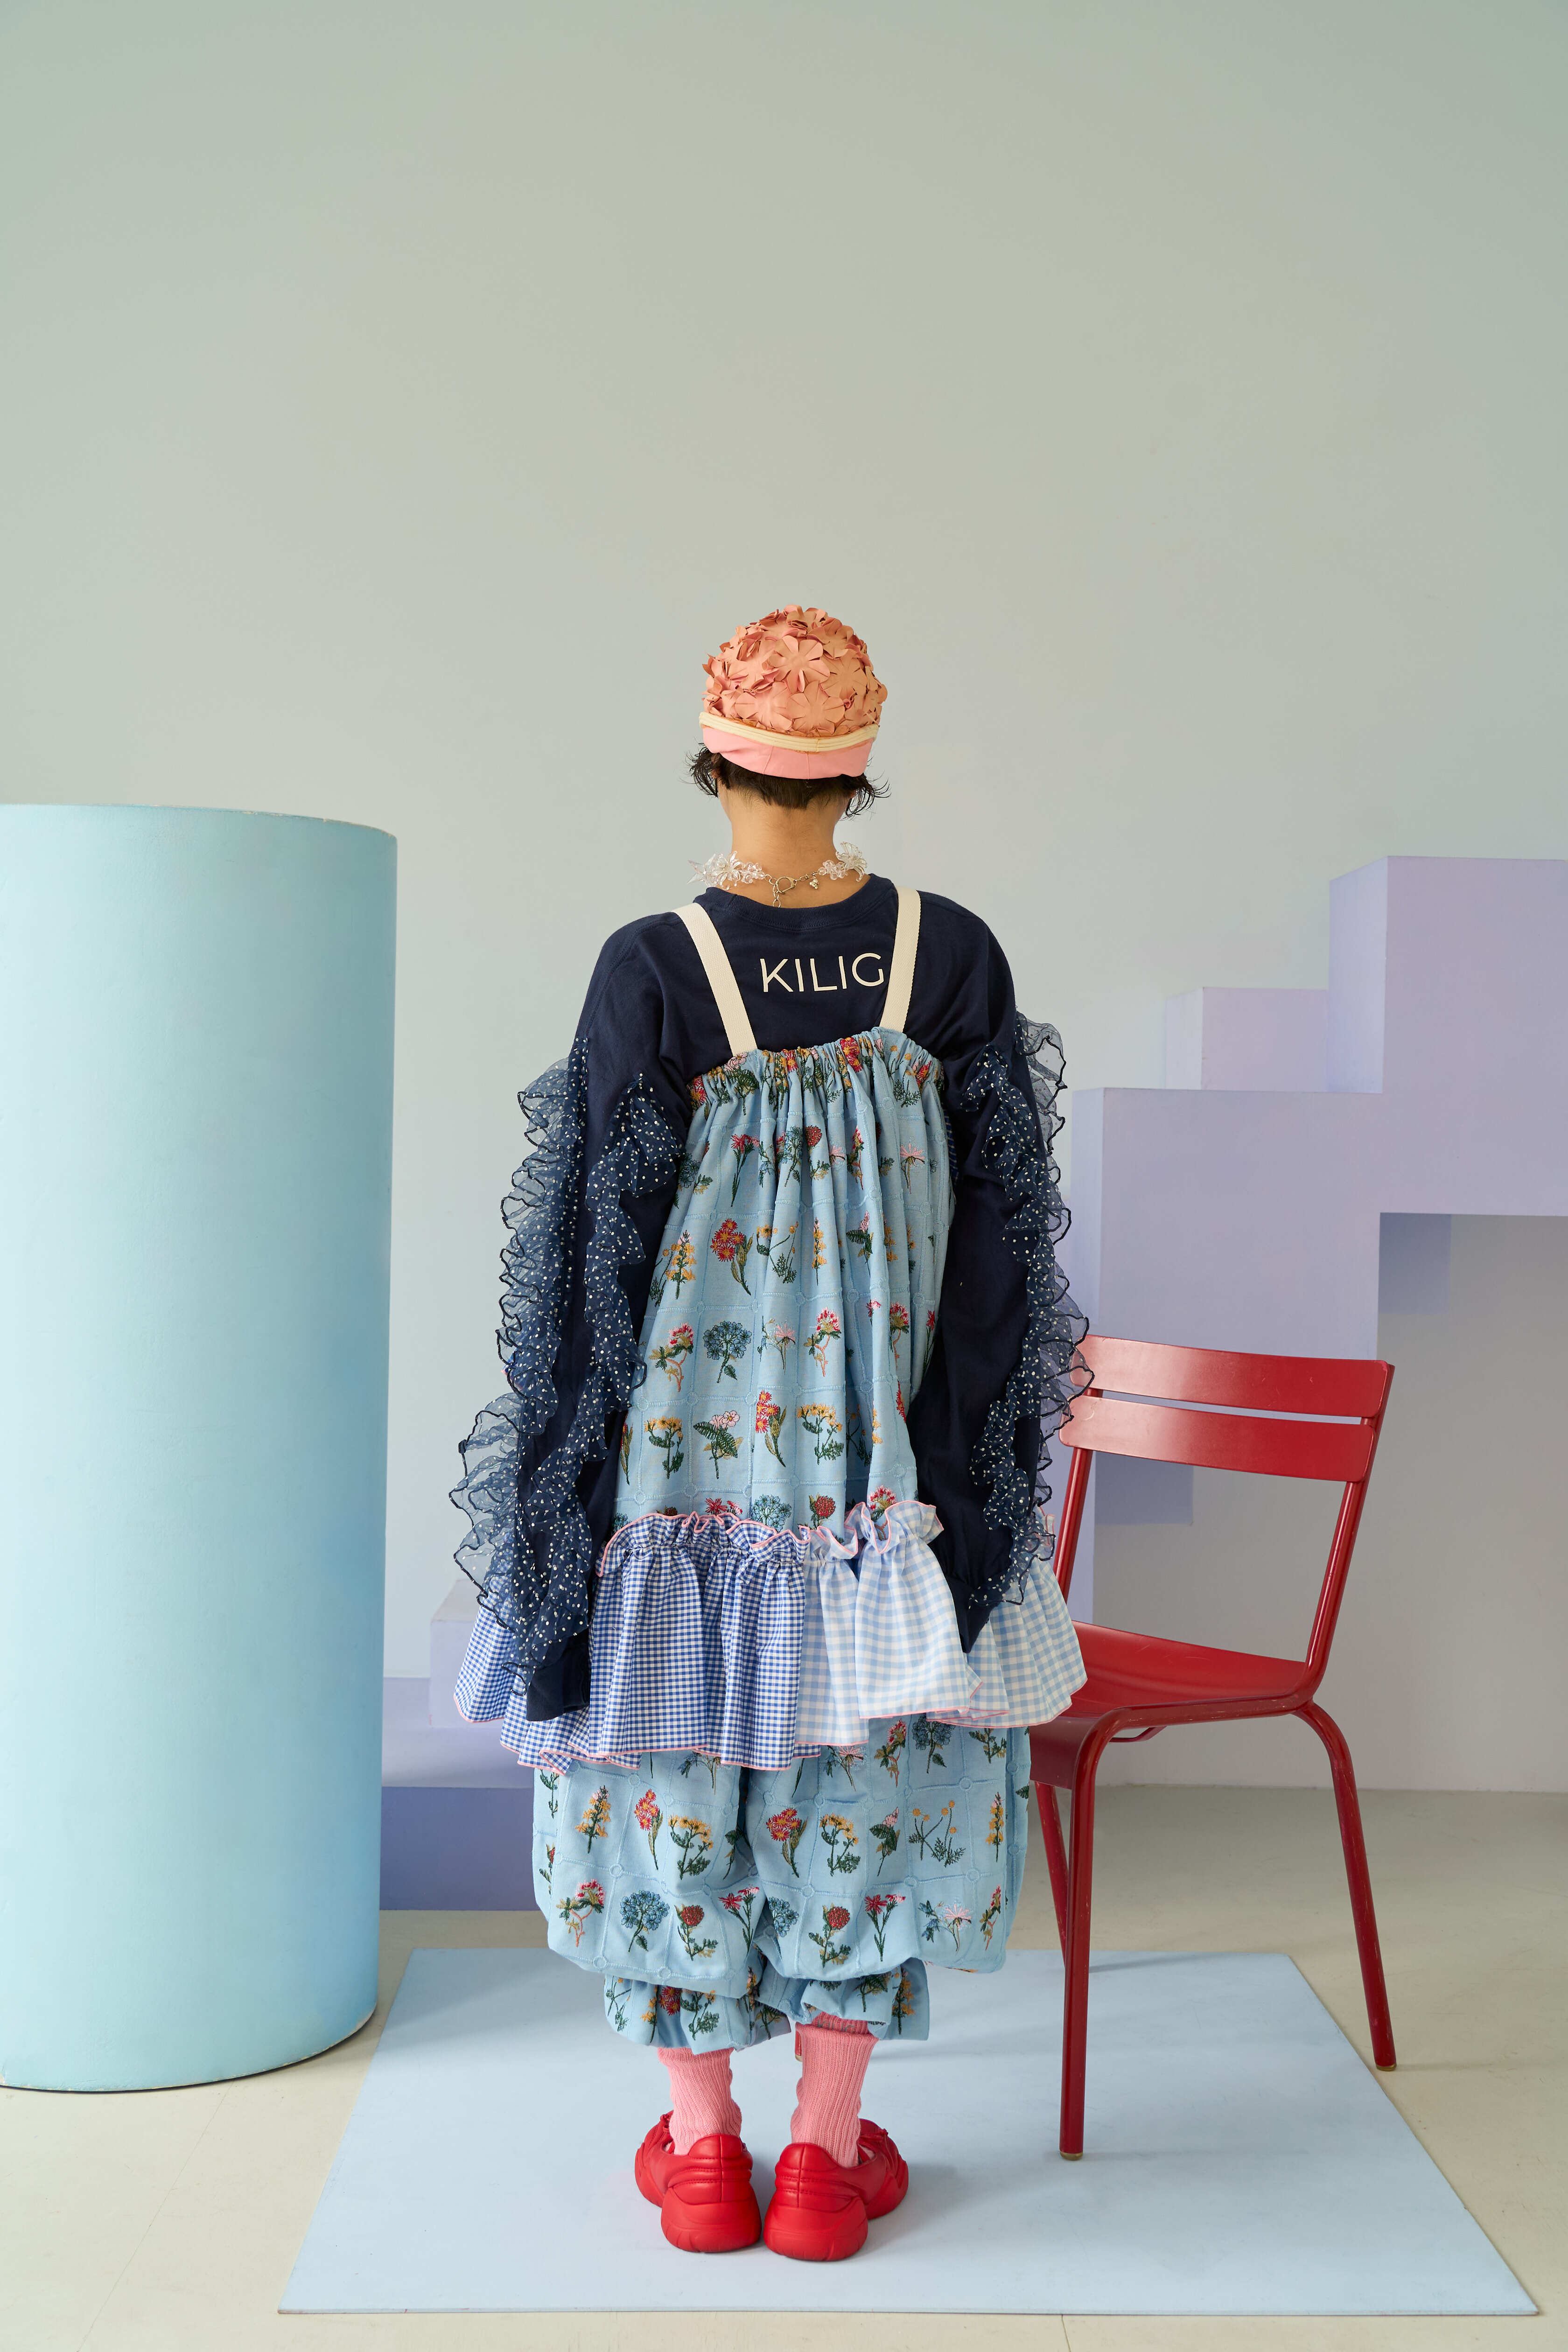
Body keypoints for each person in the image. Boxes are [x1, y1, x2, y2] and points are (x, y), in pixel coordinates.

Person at [453, 606, 1087, 2261]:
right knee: (865, 1765)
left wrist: (566, 1487)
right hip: (888, 1470)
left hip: (686, 1471)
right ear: (858, 772)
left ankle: (702, 2148)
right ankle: (822, 2155)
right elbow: (1008, 1253)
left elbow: (591, 1256)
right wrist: (972, 1475)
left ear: (715, 763)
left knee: (668, 1766)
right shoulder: (951, 957)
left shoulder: (654, 967)